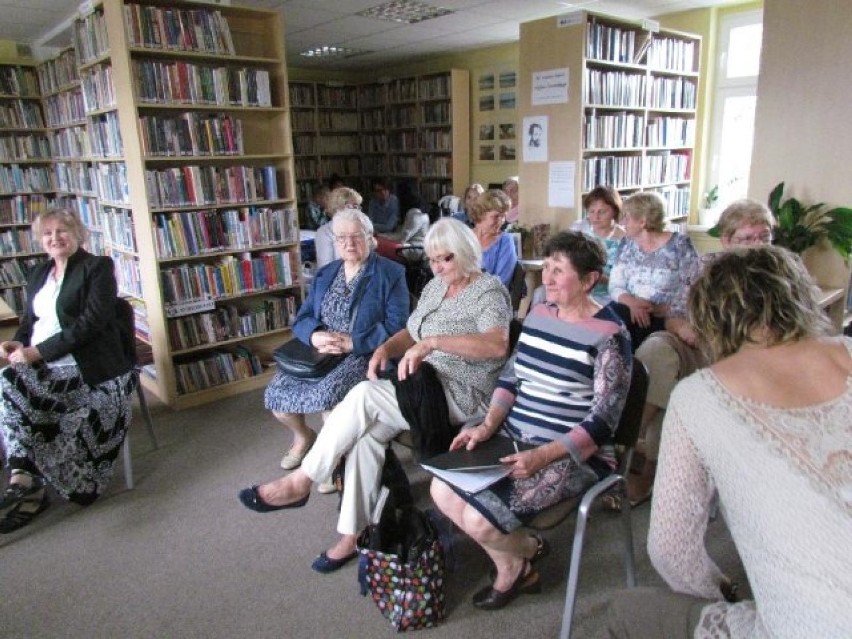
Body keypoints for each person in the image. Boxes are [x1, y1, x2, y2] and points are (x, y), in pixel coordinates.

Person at [238, 218, 512, 574]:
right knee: (365, 437)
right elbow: (410, 332)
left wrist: (432, 343)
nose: (438, 268)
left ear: (465, 253)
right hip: (422, 386)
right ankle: (353, 533)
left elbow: (496, 345)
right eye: (431, 260)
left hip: (464, 393)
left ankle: (302, 480)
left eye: (445, 259)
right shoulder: (435, 288)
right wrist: (385, 348)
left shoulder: (489, 291)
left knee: (364, 394)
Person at [608, 245, 852, 638]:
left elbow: (671, 553)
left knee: (628, 610)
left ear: (708, 316)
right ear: (800, 297)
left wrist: (727, 594)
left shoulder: (698, 397)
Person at [430, 231, 632, 611]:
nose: (548, 278)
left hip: (571, 453)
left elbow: (603, 422)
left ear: (589, 280)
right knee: (441, 490)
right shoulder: (539, 314)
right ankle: (523, 558)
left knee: (478, 519)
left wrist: (542, 457)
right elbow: (511, 377)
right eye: (548, 267)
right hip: (513, 435)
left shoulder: (610, 335)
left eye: (560, 271)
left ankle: (512, 568)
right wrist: (487, 426)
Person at [623, 199, 774, 506]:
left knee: (679, 398)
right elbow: (675, 315)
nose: (758, 245)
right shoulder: (705, 268)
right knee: (656, 348)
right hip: (698, 347)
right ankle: (632, 438)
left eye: (764, 236)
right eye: (748, 238)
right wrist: (686, 330)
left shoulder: (780, 275)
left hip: (744, 362)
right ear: (727, 240)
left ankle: (639, 462)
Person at [0, 208, 135, 533]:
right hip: (45, 364)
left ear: (78, 235)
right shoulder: (38, 273)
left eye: (62, 231)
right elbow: (30, 322)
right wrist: (17, 345)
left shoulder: (97, 268)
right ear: (40, 240)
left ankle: (31, 484)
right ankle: (24, 476)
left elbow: (91, 324)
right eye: (48, 233)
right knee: (5, 383)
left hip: (92, 368)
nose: (55, 238)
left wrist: (37, 352)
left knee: (15, 393)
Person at [264, 207, 409, 474]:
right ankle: (303, 437)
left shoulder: (391, 273)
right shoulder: (326, 273)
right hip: (320, 353)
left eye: (356, 236)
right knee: (276, 399)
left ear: (370, 237)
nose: (349, 243)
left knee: (332, 405)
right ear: (335, 241)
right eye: (341, 238)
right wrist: (314, 335)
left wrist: (353, 343)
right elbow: (303, 317)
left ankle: (333, 466)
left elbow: (398, 326)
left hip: (362, 353)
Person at [608, 191, 699, 351]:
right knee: (609, 319)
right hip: (629, 309)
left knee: (648, 340)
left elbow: (693, 289)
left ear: (642, 222)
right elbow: (615, 284)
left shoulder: (679, 245)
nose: (623, 222)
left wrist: (656, 308)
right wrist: (634, 303)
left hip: (665, 315)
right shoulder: (627, 244)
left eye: (627, 217)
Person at [570, 186, 625, 303]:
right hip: (577, 289)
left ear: (614, 211)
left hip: (609, 294)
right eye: (591, 211)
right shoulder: (579, 230)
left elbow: (627, 281)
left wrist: (600, 278)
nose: (596, 217)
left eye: (602, 211)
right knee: (541, 294)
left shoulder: (625, 239)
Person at [471, 189, 518, 288]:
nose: (501, 221)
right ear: (481, 214)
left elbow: (501, 282)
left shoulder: (505, 241)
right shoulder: (464, 237)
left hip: (490, 299)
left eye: (503, 216)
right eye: (496, 216)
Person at [375, 182, 429, 261]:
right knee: (379, 242)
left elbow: (402, 238)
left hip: (413, 249)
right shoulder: (418, 213)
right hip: (413, 246)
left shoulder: (414, 215)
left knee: (378, 245)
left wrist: (382, 236)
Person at [314, 186, 362, 268]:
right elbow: (326, 270)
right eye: (352, 206)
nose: (357, 211)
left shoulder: (361, 228)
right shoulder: (324, 232)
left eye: (357, 207)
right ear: (337, 208)